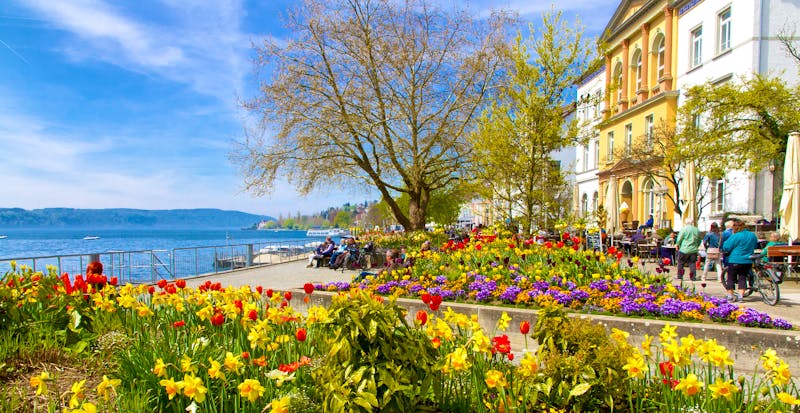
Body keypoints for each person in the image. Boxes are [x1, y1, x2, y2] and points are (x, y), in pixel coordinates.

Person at [721, 218, 759, 302]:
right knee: (743, 277)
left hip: (735, 259)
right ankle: (740, 296)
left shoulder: (736, 236)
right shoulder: (752, 235)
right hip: (747, 260)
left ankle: (730, 296)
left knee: (730, 277)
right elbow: (755, 245)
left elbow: (726, 247)